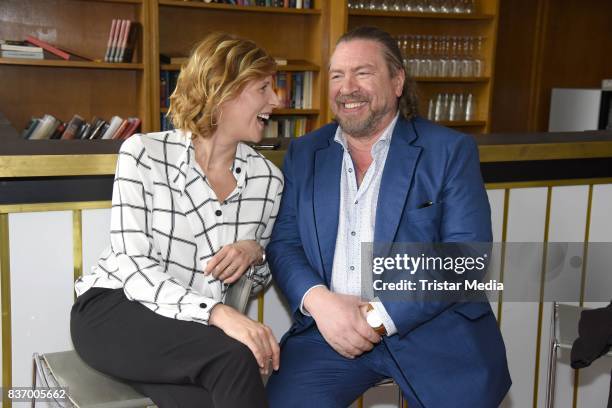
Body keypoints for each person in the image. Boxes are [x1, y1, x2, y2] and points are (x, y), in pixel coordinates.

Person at [266, 26, 511, 407]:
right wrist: (320, 302)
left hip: (435, 332)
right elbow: (285, 243)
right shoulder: (305, 153)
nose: (347, 87)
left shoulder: (448, 151)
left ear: (397, 81)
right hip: (332, 332)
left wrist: (379, 317)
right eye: (336, 75)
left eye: (362, 72)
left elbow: (466, 257)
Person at [71, 33, 284, 408]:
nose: (277, 99)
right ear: (223, 89)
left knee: (215, 389)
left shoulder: (268, 180)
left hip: (191, 332)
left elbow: (255, 281)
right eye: (264, 87)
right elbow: (133, 265)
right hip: (115, 309)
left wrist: (255, 254)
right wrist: (217, 314)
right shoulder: (143, 154)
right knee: (235, 358)